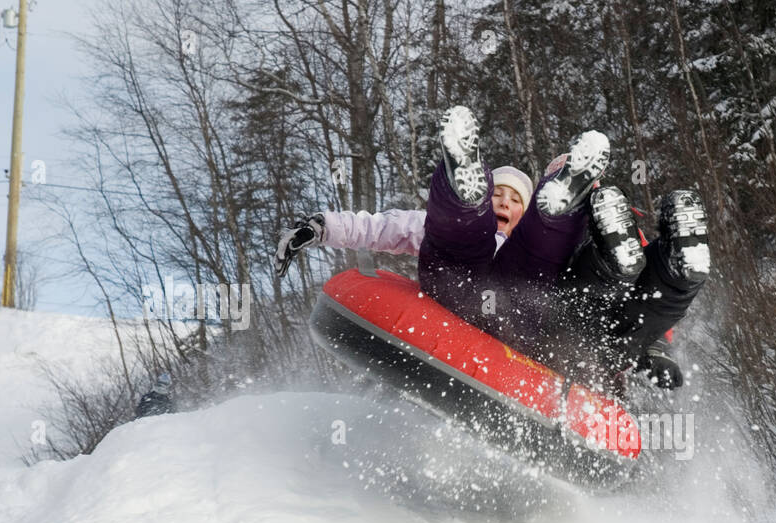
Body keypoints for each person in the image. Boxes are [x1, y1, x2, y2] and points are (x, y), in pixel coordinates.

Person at [276, 106, 708, 390]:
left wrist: (655, 350)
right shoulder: (476, 230)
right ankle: (463, 186)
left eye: (514, 198)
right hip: (465, 289)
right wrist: (321, 227)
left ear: (525, 208)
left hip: (522, 303)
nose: (504, 201)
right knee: (455, 230)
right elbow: (380, 228)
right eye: (496, 194)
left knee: (548, 246)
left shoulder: (532, 245)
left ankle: (565, 199)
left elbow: (608, 298)